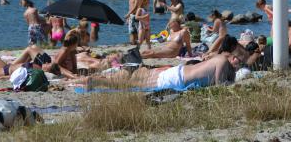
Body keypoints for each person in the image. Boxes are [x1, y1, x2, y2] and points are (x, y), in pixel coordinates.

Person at [82, 52, 239, 91]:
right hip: (177, 79)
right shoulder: (222, 61)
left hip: (178, 72)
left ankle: (99, 79)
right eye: (237, 60)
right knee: (131, 85)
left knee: (134, 83)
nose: (238, 64)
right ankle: (98, 81)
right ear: (231, 57)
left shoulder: (220, 59)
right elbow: (219, 84)